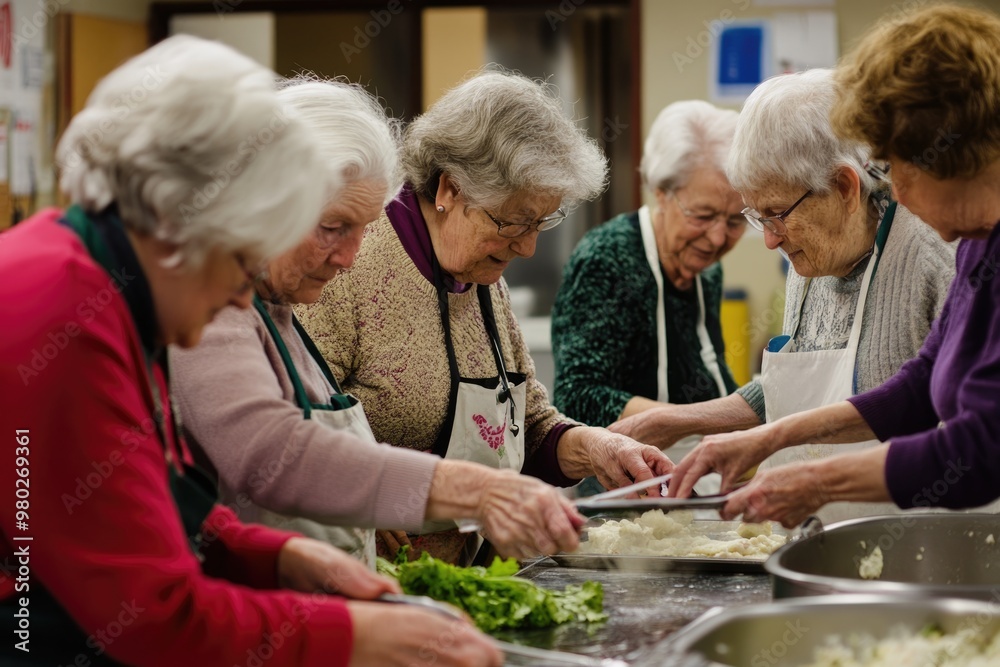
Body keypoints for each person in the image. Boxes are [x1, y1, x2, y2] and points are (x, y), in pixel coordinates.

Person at [0, 37, 502, 667]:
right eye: (243, 262)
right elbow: (154, 617)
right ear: (183, 221)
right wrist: (358, 637)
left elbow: (156, 494)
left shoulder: (104, 280)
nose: (244, 301)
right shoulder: (59, 313)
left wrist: (275, 553)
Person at [172, 77, 585, 568]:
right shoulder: (209, 307)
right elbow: (272, 455)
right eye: (332, 228)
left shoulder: (276, 304)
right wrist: (475, 491)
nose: (349, 258)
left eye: (364, 231)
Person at [297, 70, 673, 564]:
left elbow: (526, 423)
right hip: (365, 580)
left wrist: (596, 447)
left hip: (471, 578)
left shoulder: (480, 276)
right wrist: (363, 492)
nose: (529, 245)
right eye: (513, 222)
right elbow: (295, 430)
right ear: (450, 189)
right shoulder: (348, 265)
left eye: (541, 222)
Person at [667, 4, 1000, 528]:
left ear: (950, 155)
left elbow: (981, 449)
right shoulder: (978, 242)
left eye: (892, 166)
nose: (893, 190)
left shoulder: (947, 245)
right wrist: (767, 436)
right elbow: (917, 386)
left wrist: (820, 481)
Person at [615, 68, 957, 522]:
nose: (771, 241)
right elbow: (787, 391)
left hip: (918, 541)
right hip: (815, 538)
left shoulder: (937, 256)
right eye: (758, 217)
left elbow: (947, 422)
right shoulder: (811, 253)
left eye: (777, 214)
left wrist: (777, 448)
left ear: (844, 187)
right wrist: (681, 419)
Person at [552, 100, 743, 429]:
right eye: (703, 215)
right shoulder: (608, 259)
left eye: (736, 220)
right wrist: (700, 420)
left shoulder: (707, 270)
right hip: (617, 472)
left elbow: (710, 373)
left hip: (694, 461)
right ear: (661, 193)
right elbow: (577, 397)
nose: (717, 239)